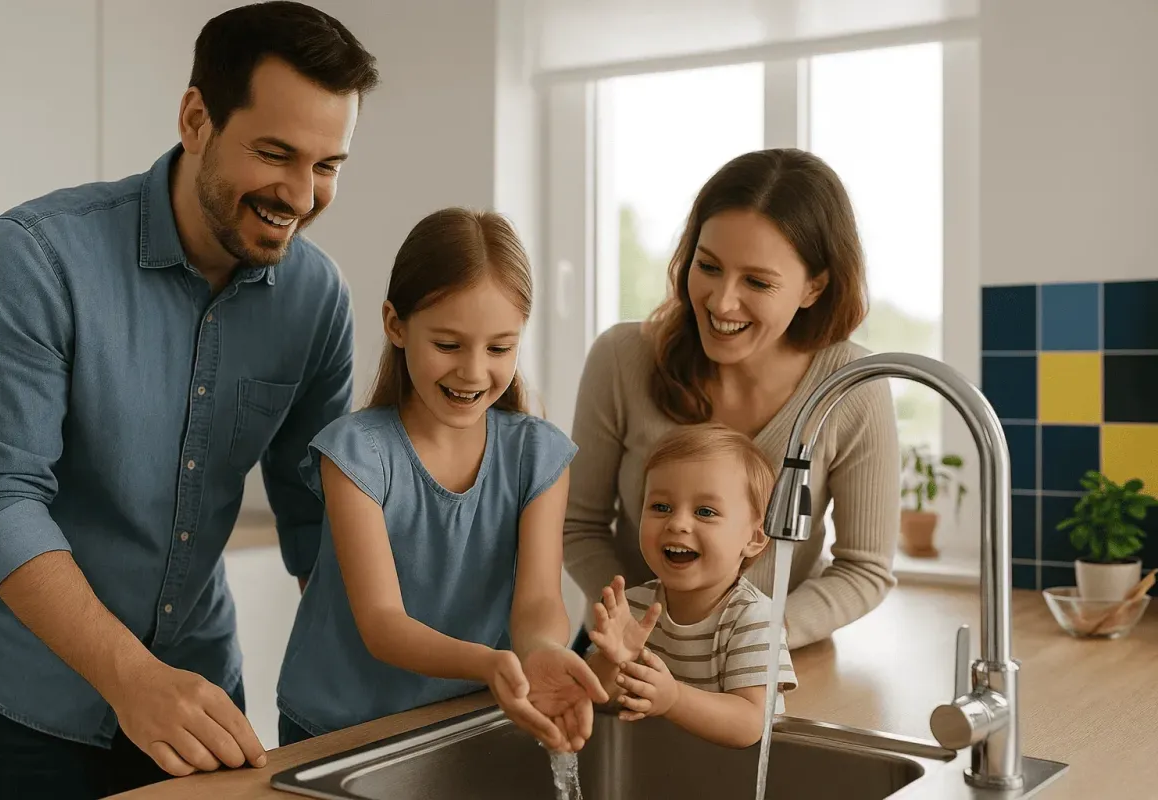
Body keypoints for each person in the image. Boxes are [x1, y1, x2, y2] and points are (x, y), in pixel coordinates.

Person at [0, 4, 378, 798]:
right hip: (25, 702)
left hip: (198, 686)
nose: (300, 194)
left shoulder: (317, 299)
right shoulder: (36, 259)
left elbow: (315, 514)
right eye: (275, 153)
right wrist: (133, 677)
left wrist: (379, 674)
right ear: (195, 120)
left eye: (327, 164)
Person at [275, 208, 608, 753]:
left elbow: (537, 602)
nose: (473, 371)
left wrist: (543, 649)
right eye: (449, 345)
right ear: (395, 325)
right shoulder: (355, 454)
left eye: (499, 348)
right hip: (337, 727)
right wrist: (489, 662)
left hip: (464, 714)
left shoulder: (538, 455)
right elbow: (382, 623)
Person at [564, 148, 900, 652]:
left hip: (769, 660)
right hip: (630, 651)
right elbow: (579, 525)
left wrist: (758, 638)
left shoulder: (852, 387)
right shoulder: (621, 358)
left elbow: (864, 568)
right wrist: (638, 623)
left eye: (757, 282)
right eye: (708, 266)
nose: (721, 302)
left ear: (814, 287)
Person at [584, 423, 797, 748]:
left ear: (754, 538)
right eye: (661, 507)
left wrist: (673, 699)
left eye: (705, 512)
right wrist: (611, 662)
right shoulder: (634, 608)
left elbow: (751, 723)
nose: (678, 523)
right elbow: (596, 700)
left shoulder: (756, 620)